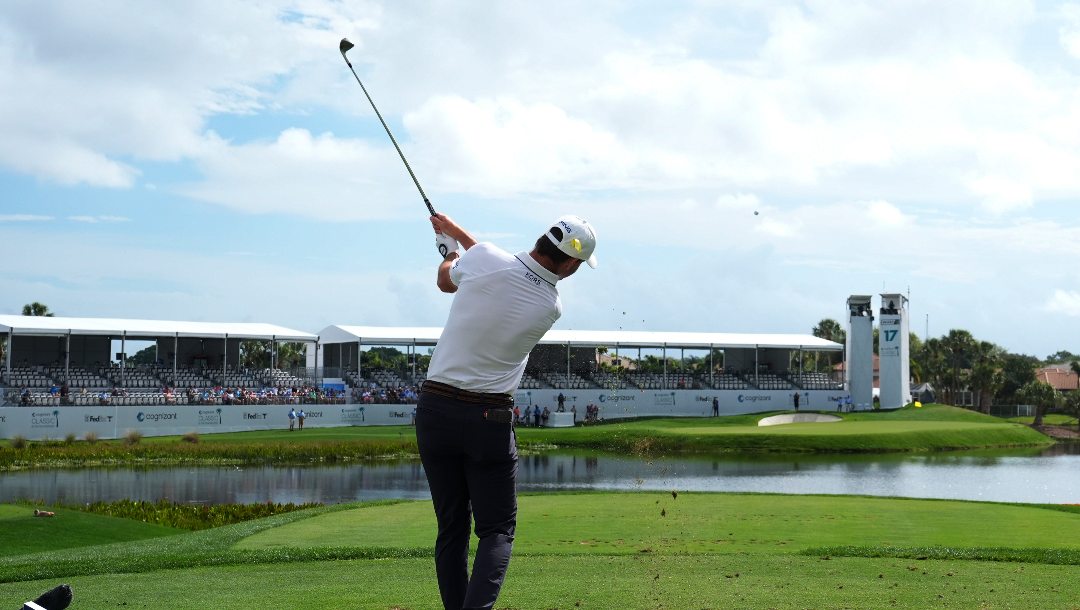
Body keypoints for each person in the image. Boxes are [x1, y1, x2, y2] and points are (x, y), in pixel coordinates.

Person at [416, 212, 597, 610]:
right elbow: (506, 273)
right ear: (568, 263)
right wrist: (456, 232)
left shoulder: (485, 260)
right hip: (488, 420)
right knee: (496, 530)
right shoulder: (550, 306)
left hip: (435, 410)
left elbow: (448, 279)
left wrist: (448, 250)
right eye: (580, 265)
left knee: (452, 527)